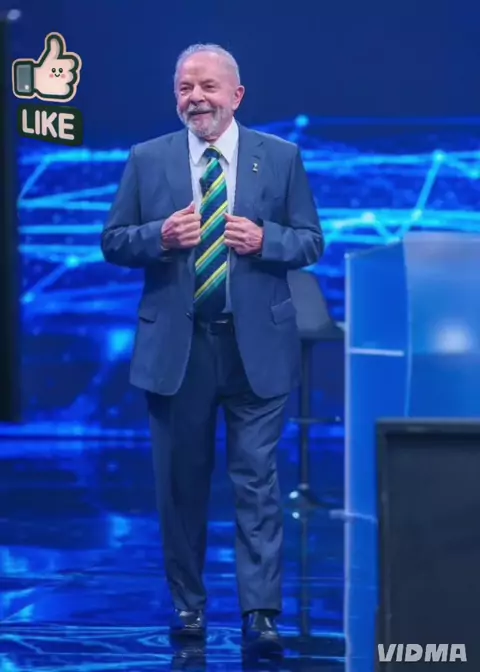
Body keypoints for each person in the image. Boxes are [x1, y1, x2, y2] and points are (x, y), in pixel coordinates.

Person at [101, 43, 324, 652]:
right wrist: (159, 235)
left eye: (207, 87)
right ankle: (188, 606)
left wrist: (266, 240)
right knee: (181, 486)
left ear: (236, 95)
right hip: (179, 350)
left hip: (256, 348)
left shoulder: (280, 157)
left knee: (257, 483)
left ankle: (261, 614)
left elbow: (310, 240)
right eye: (185, 88)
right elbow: (114, 240)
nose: (195, 98)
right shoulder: (147, 159)